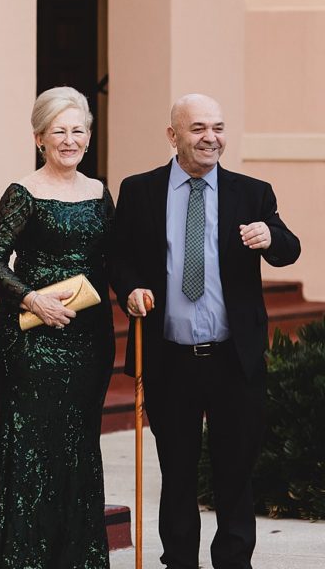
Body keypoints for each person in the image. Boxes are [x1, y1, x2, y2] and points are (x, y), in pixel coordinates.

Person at [112, 93, 300, 569]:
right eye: (198, 128)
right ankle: (179, 561)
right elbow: (120, 256)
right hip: (169, 357)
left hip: (232, 360)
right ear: (173, 135)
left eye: (217, 127)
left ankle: (234, 562)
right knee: (176, 474)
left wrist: (271, 237)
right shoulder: (140, 190)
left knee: (234, 473)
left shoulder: (251, 192)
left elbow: (288, 247)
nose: (210, 138)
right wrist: (130, 289)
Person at [0, 87, 116, 568]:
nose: (70, 139)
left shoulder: (100, 192)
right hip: (34, 340)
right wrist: (31, 296)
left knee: (79, 447)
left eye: (79, 130)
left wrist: (138, 289)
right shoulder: (23, 192)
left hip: (89, 341)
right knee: (34, 449)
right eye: (60, 130)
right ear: (40, 138)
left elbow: (113, 260)